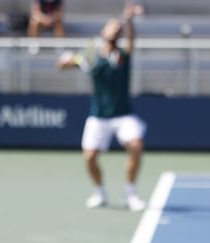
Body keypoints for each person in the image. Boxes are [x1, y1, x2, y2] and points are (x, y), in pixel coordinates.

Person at [57, 1, 146, 212]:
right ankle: (99, 192)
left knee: (136, 146)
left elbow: (132, 42)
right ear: (103, 31)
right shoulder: (91, 55)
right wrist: (66, 60)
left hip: (124, 114)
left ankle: (130, 193)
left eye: (119, 28)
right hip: (98, 116)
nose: (115, 29)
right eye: (112, 26)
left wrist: (129, 20)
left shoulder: (123, 55)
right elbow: (62, 66)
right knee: (89, 157)